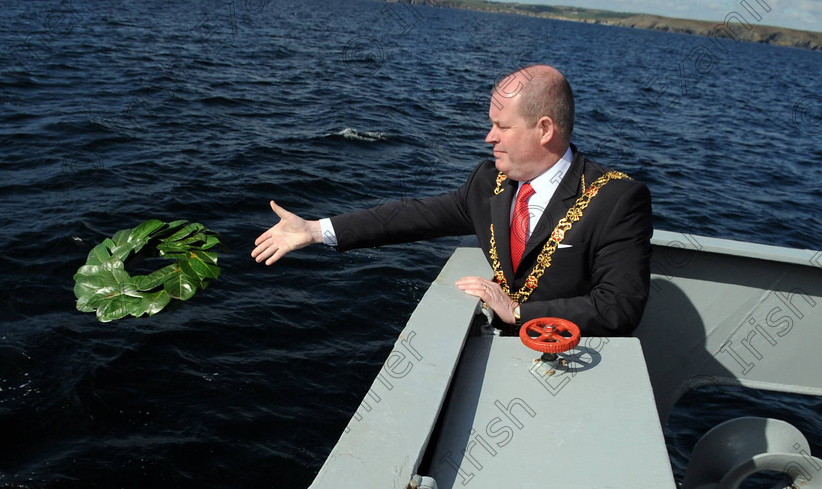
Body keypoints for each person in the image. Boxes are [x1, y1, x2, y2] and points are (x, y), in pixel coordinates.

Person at [252, 64, 653, 336]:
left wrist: (517, 312)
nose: (489, 137)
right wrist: (315, 230)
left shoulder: (615, 198)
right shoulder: (489, 183)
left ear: (545, 129)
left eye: (501, 126)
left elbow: (619, 307)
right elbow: (414, 216)